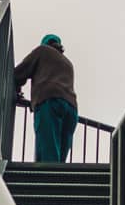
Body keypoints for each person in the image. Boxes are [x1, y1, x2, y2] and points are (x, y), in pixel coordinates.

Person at [13, 33, 79, 163]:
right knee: (61, 153)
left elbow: (19, 72)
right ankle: (58, 179)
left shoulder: (42, 51)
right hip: (71, 108)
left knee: (47, 150)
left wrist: (16, 89)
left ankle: (48, 180)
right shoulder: (68, 63)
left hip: (49, 101)